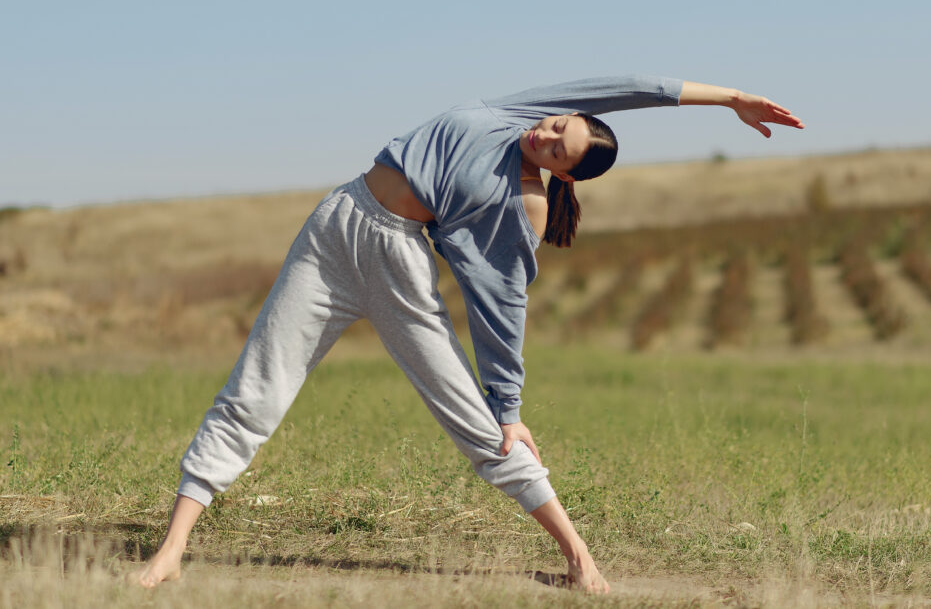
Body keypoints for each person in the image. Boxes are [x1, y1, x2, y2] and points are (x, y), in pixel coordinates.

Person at [136, 75, 804, 593]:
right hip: (335, 227)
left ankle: (578, 556)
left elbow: (501, 303)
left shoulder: (524, 202)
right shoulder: (521, 110)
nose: (545, 135)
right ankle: (172, 550)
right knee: (256, 388)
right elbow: (629, 86)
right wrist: (729, 99)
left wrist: (509, 406)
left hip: (397, 264)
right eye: (556, 126)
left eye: (557, 148)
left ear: (565, 173)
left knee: (483, 428)